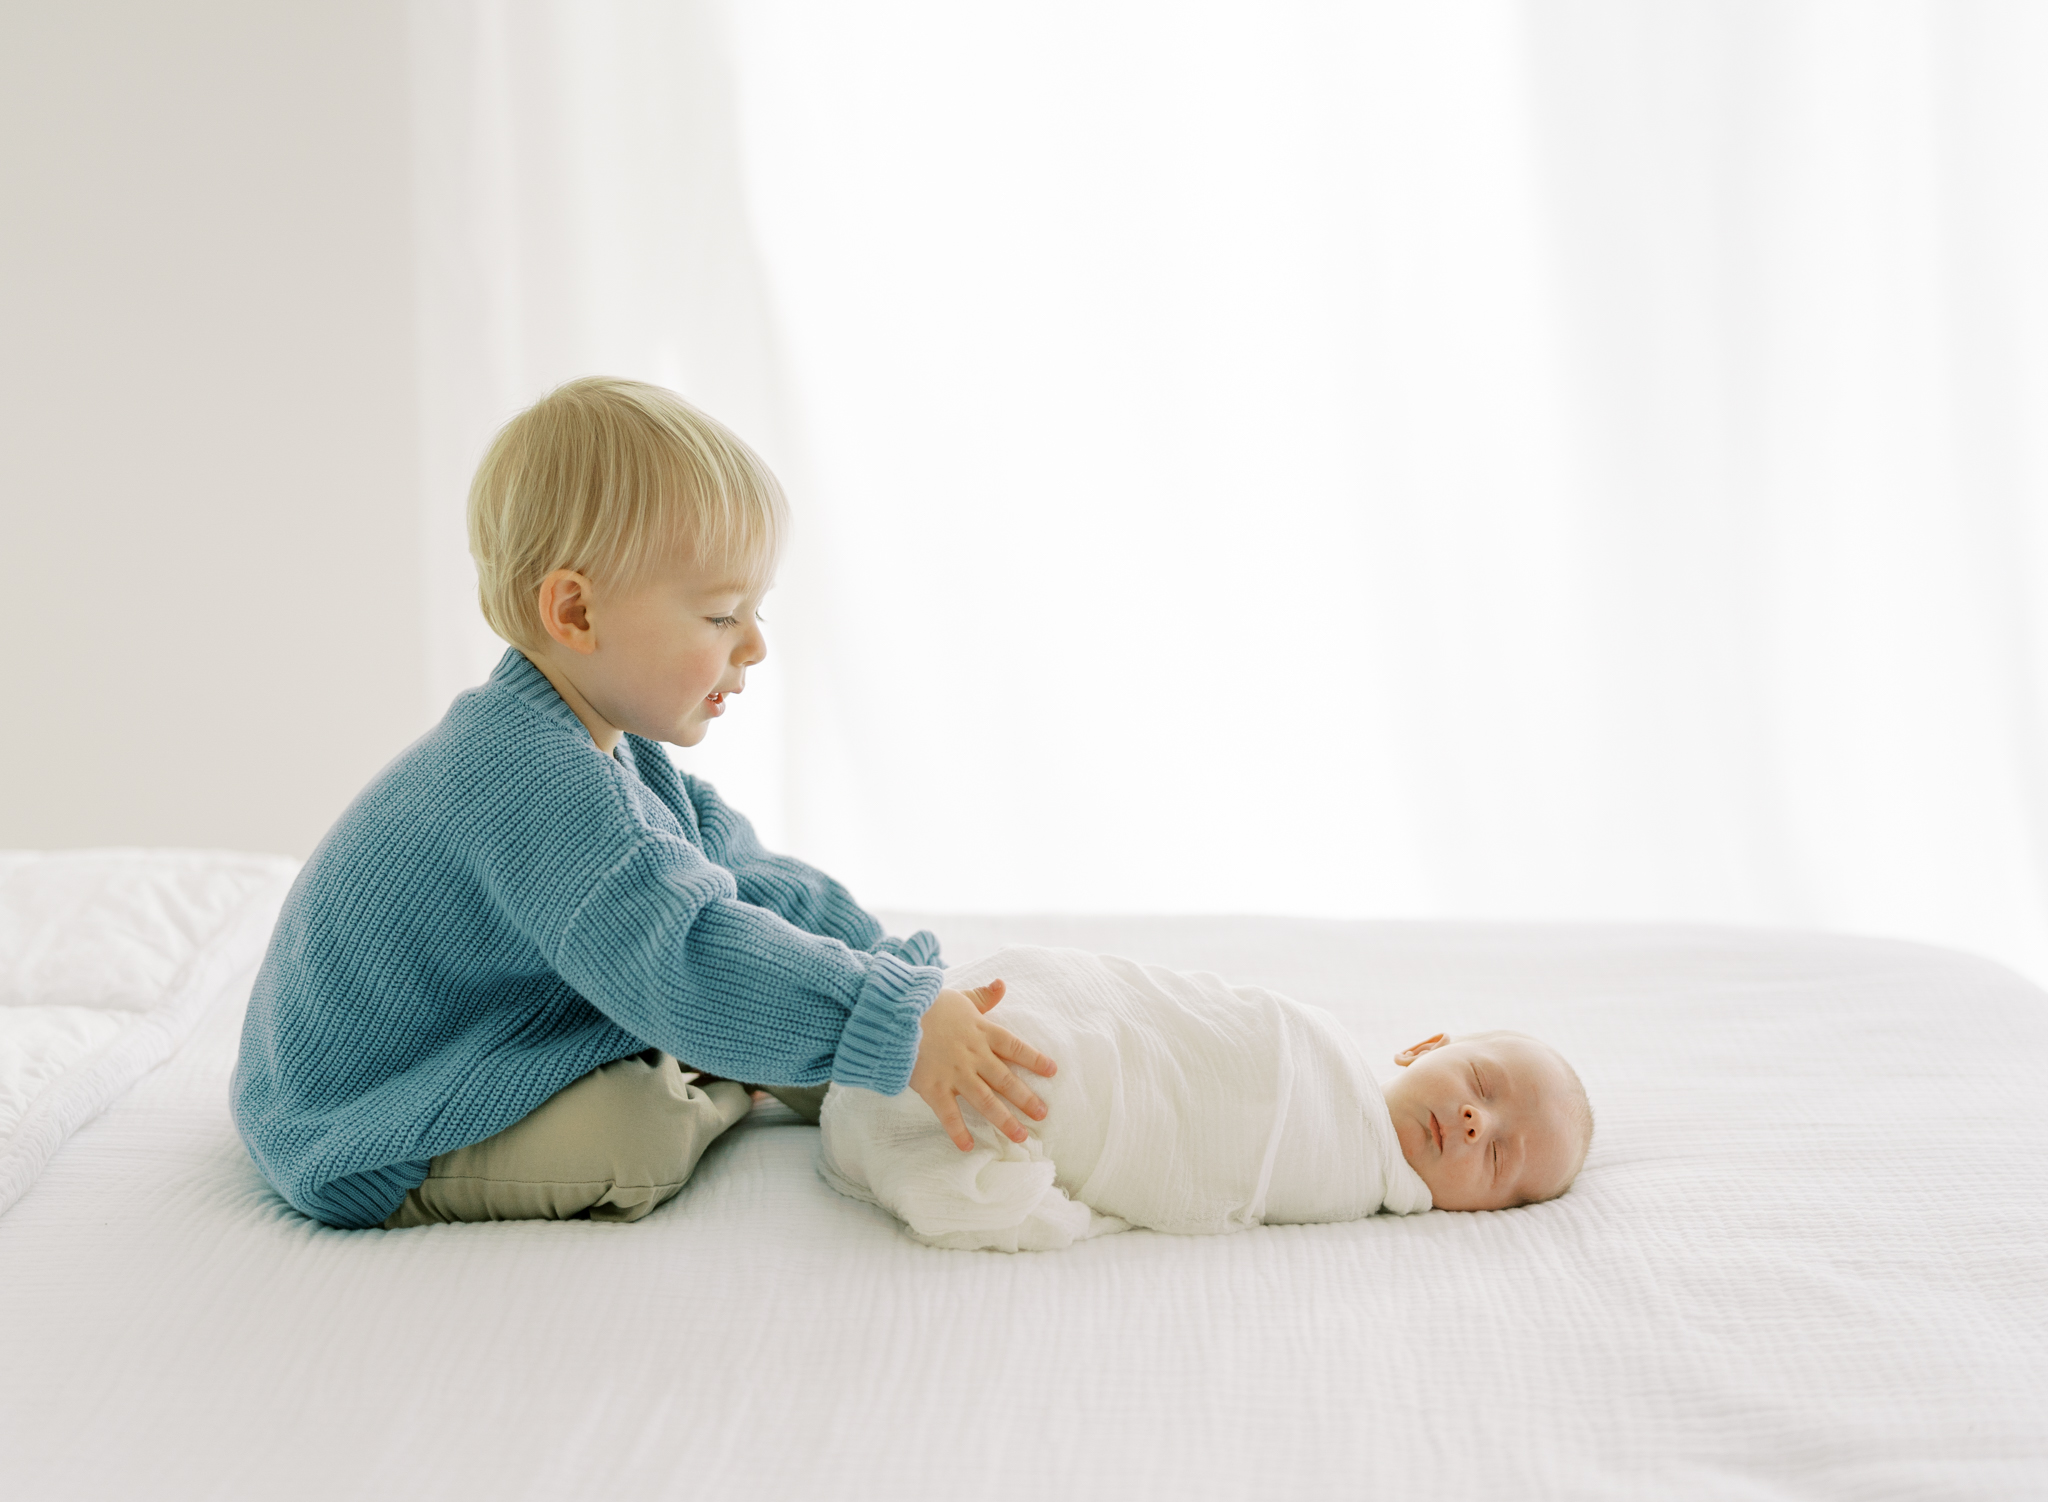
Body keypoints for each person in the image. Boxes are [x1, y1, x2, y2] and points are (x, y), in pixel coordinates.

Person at [231, 377, 1055, 1229]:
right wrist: (892, 1022)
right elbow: (690, 947)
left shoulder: (609, 747)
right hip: (371, 1117)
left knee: (797, 1010)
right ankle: (719, 1068)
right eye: (722, 615)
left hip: (483, 1029)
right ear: (577, 612)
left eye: (756, 611)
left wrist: (898, 977)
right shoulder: (528, 780)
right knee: (643, 1128)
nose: (757, 645)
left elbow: (741, 875)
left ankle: (743, 1043)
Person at [817, 946, 1592, 1251]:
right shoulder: (1312, 1044)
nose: (1471, 1120)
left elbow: (1197, 1167)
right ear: (1425, 1047)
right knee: (1050, 1021)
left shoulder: (1348, 1184)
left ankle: (890, 1061)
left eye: (1497, 1154)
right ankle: (893, 1029)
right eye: (1482, 1087)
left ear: (1486, 1214)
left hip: (1075, 1107)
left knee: (1025, 1094)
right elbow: (1178, 1015)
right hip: (1075, 1021)